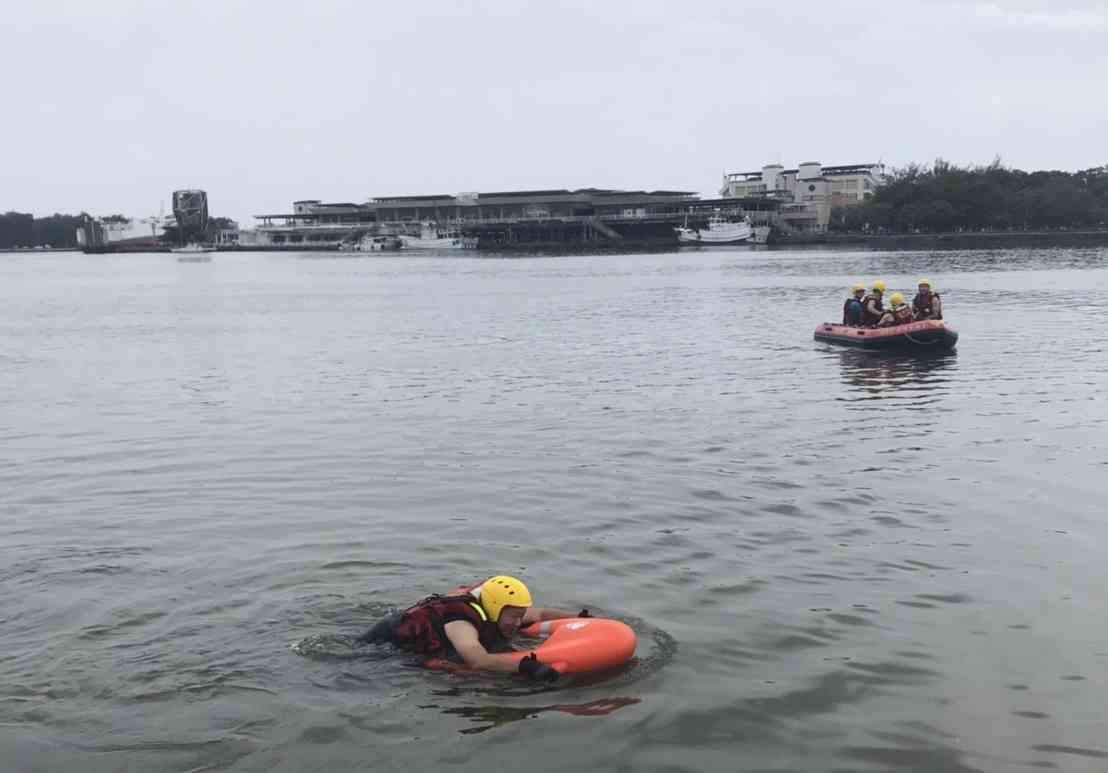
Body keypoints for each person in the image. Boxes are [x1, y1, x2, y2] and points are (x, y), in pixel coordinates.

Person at [358, 575, 583, 681]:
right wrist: (527, 666)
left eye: (520, 616)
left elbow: (542, 614)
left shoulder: (505, 611)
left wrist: (581, 618)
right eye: (513, 617)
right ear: (495, 608)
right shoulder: (462, 623)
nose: (518, 622)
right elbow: (478, 660)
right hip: (387, 642)